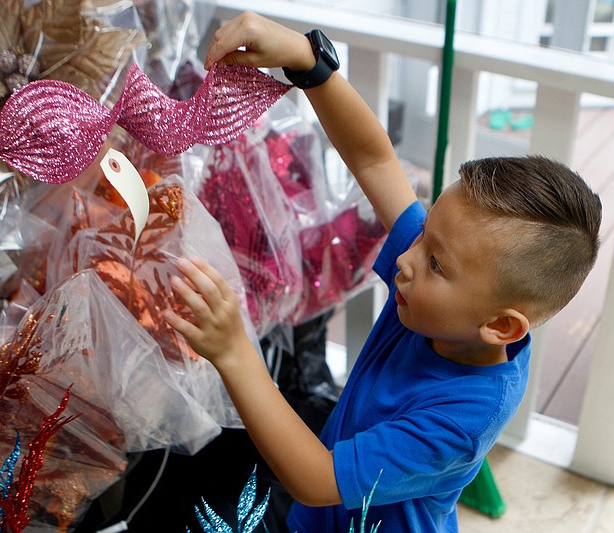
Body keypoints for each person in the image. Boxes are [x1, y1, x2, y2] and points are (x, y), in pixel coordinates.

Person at [165, 11, 602, 533]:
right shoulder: (446, 301)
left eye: (435, 262)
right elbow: (374, 160)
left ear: (502, 327)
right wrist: (308, 63)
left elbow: (316, 476)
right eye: (423, 234)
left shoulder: (466, 414)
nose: (405, 259)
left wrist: (236, 352)